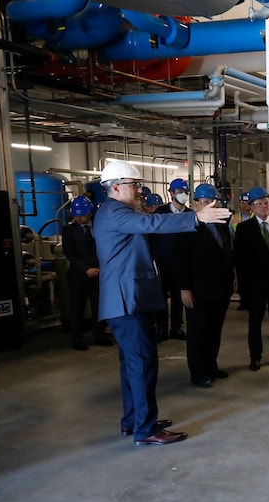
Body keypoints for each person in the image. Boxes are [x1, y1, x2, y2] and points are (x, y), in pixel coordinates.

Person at [94, 160, 231, 445]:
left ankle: (134, 421)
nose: (140, 190)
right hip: (126, 301)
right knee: (143, 363)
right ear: (116, 187)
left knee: (133, 364)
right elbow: (149, 223)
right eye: (135, 185)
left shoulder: (119, 211)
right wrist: (196, 218)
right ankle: (146, 429)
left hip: (131, 300)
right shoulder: (115, 211)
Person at [175, 184, 233, 388]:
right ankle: (198, 373)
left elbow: (226, 254)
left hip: (220, 288)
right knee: (198, 333)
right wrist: (184, 288)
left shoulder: (221, 224)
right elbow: (181, 261)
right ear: (196, 203)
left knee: (214, 331)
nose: (211, 205)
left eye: (213, 201)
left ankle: (211, 366)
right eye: (207, 201)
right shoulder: (187, 226)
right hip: (198, 291)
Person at [233, 186, 269, 371]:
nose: (264, 206)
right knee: (255, 322)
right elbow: (239, 261)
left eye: (266, 203)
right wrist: (243, 288)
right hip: (254, 285)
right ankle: (255, 356)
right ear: (251, 206)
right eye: (259, 203)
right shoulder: (243, 229)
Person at [61, 195, 112, 350]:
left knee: (99, 306)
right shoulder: (69, 230)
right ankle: (76, 339)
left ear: (90, 213)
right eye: (76, 215)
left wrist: (101, 267)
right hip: (78, 275)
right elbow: (70, 253)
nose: (79, 218)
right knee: (77, 308)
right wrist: (86, 269)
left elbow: (106, 247)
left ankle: (99, 335)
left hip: (99, 273)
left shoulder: (99, 227)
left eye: (82, 215)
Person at [151, 177, 192, 341]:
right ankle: (161, 328)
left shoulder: (190, 214)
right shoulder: (160, 212)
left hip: (182, 264)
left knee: (178, 297)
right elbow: (151, 236)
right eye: (179, 192)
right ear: (171, 194)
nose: (182, 195)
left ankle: (176, 328)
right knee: (161, 296)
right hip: (162, 262)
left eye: (185, 192)